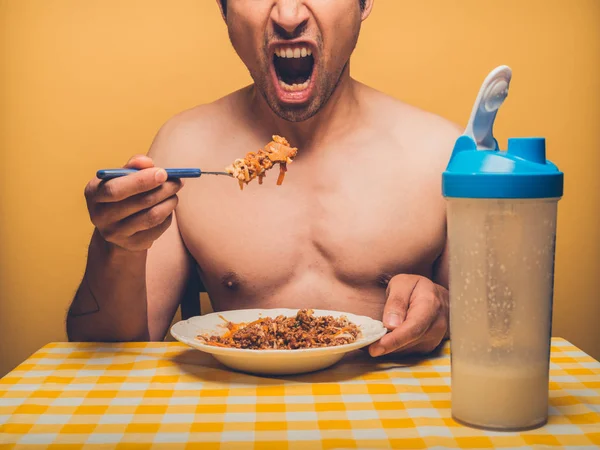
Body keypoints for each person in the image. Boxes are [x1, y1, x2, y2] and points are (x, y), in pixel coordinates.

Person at [66, 0, 461, 357]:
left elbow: (502, 338)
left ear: (363, 3)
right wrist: (115, 245)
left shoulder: (443, 154)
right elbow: (106, 350)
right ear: (222, 9)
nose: (288, 16)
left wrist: (446, 311)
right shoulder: (184, 146)